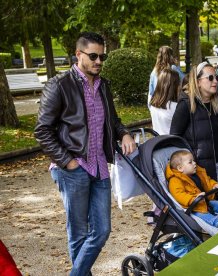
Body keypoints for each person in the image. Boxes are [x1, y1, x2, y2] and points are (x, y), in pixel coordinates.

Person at [34, 32, 136, 275]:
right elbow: (42, 130)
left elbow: (113, 121)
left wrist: (124, 134)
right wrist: (67, 161)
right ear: (78, 55)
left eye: (102, 56)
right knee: (78, 233)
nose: (99, 61)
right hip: (73, 168)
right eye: (93, 56)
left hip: (100, 166)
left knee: (101, 231)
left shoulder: (104, 86)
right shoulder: (59, 85)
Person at [170, 62, 218, 204]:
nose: (215, 81)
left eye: (217, 78)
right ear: (197, 81)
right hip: (199, 168)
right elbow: (175, 139)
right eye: (210, 78)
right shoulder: (185, 105)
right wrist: (187, 165)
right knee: (206, 207)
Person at [166, 150, 218, 230]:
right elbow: (179, 195)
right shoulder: (175, 181)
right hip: (193, 207)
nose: (194, 163)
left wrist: (214, 184)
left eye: (193, 160)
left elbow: (207, 181)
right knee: (204, 215)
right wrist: (193, 199)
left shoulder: (197, 173)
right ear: (180, 168)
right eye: (190, 162)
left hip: (204, 201)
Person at [149, 69, 180, 135]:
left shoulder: (153, 103)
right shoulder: (176, 107)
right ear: (174, 86)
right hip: (172, 142)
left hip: (157, 141)